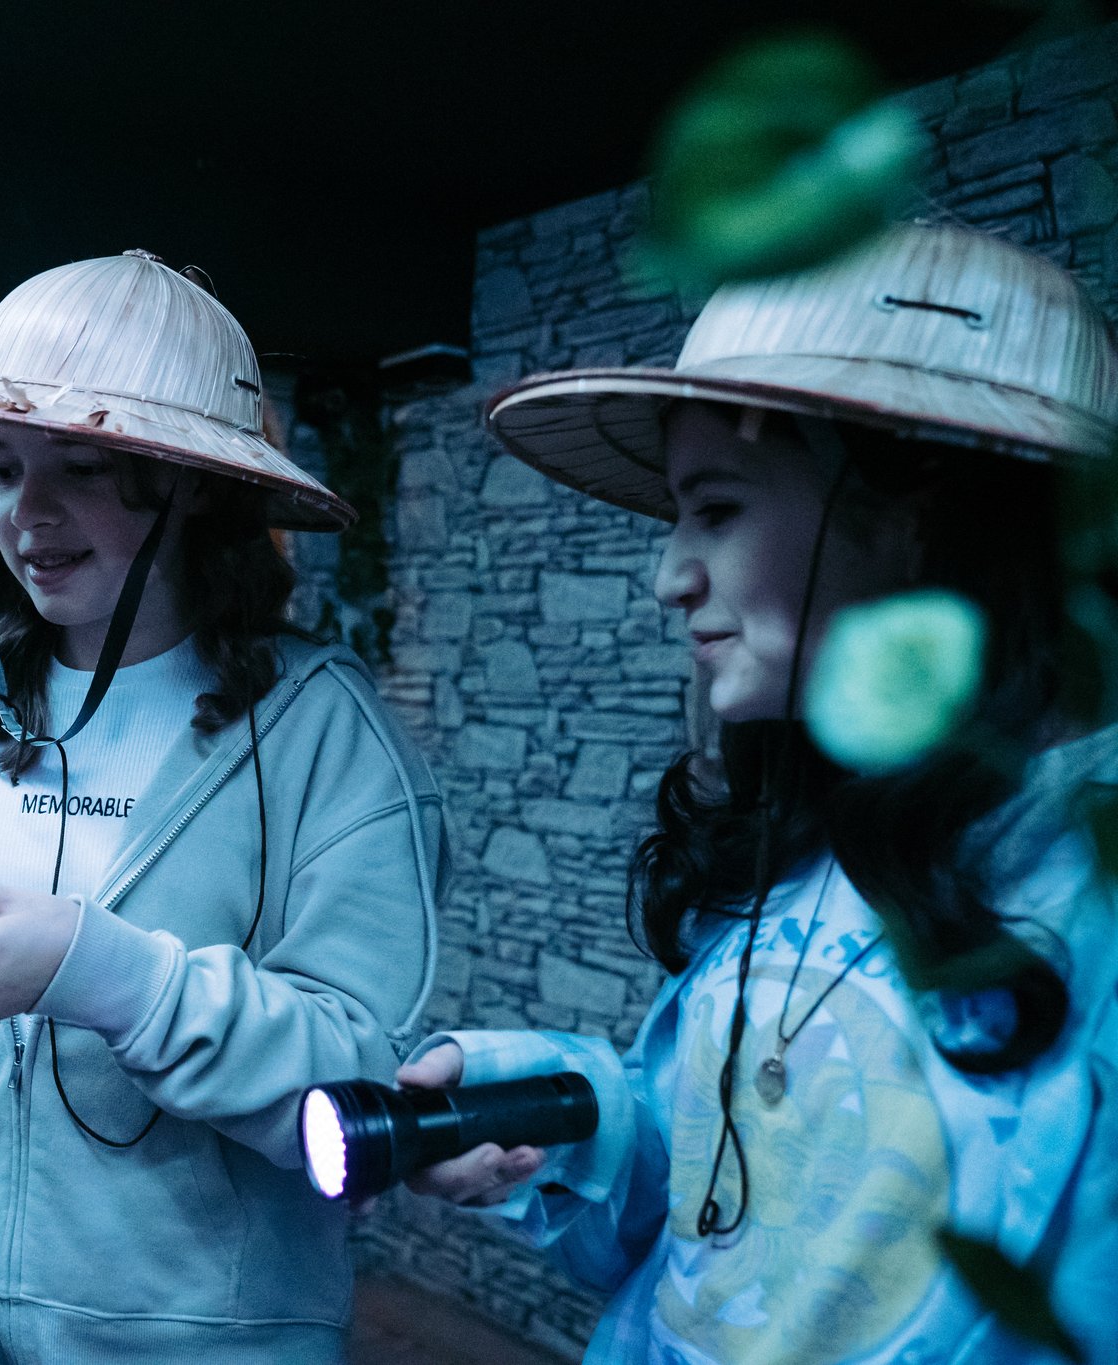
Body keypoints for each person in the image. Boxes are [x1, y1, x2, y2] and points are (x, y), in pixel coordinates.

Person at [399, 222, 1118, 1362]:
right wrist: (559, 1110)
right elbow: (713, 1215)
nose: (666, 576)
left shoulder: (1094, 889)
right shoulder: (804, 837)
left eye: (719, 507)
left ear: (913, 514)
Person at [0, 250, 445, 1362]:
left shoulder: (321, 735)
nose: (26, 514)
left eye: (82, 466)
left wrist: (108, 977)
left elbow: (366, 1090)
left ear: (194, 484)